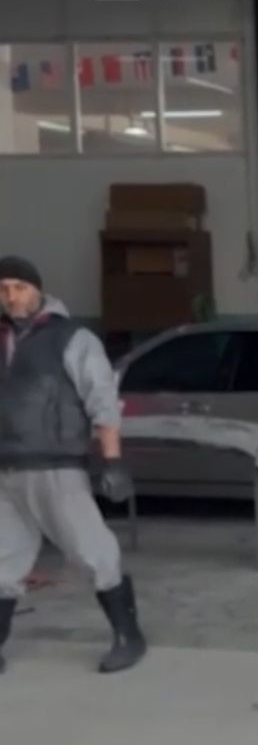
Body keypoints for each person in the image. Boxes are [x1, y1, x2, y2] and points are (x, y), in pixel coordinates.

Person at [0, 255, 142, 674]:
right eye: (3, 289)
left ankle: (128, 636)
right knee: (2, 560)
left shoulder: (72, 337)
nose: (11, 296)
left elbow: (102, 399)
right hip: (6, 470)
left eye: (20, 287)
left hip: (57, 467)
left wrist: (112, 460)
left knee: (92, 552)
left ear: (38, 289)